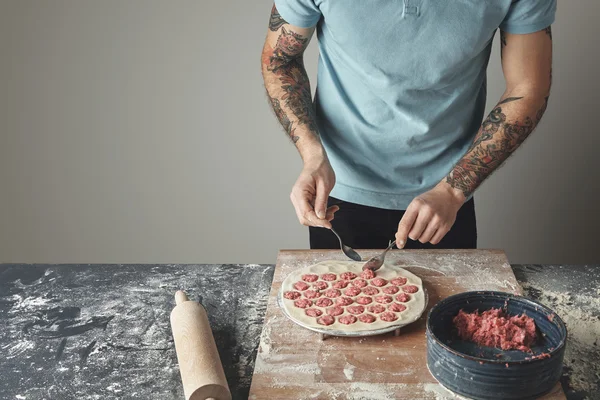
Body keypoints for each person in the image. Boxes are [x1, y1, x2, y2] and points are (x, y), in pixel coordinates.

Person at [261, 1, 555, 251]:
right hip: (337, 189)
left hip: (447, 194)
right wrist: (312, 156)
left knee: (446, 316)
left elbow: (529, 88)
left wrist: (454, 191)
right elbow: (279, 60)